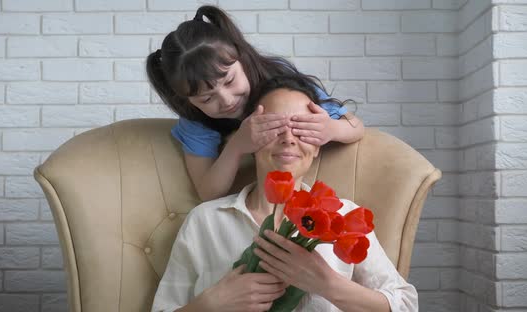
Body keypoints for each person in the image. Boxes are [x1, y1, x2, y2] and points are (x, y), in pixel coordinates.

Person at [151, 75, 418, 312]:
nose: (288, 138)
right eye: (274, 126)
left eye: (302, 128)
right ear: (250, 140)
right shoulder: (205, 221)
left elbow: (405, 305)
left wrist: (327, 284)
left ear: (317, 147)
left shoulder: (344, 216)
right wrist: (210, 305)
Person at [146, 5, 365, 201]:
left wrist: (331, 128)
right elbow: (208, 192)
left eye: (229, 81)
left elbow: (356, 128)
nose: (226, 100)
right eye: (207, 98)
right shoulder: (195, 121)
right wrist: (237, 145)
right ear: (188, 101)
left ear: (241, 57)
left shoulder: (277, 76)